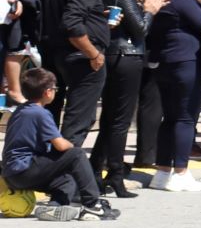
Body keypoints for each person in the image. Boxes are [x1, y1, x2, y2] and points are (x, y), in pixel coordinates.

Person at [3, 67, 118, 219]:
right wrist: (71, 146)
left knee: (67, 180)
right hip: (25, 170)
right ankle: (92, 205)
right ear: (47, 92)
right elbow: (61, 145)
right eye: (54, 88)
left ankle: (54, 207)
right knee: (76, 155)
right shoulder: (41, 113)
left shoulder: (20, 110)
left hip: (12, 174)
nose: (55, 91)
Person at [95, 0, 163, 198]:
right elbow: (141, 29)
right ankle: (114, 173)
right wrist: (150, 9)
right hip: (127, 57)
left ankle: (95, 170)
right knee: (120, 120)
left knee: (110, 118)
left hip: (113, 56)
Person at [145, 0, 201, 193]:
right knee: (184, 117)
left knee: (170, 117)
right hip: (185, 60)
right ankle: (181, 172)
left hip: (164, 61)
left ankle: (162, 172)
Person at [41, 0, 110, 151]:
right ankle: (63, 175)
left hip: (66, 55)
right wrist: (94, 54)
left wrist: (97, 18)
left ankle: (63, 170)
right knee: (77, 123)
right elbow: (72, 24)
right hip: (82, 59)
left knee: (83, 118)